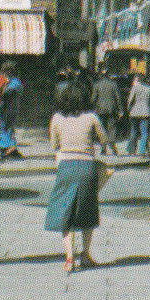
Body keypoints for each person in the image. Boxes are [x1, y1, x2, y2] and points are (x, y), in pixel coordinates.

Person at [44, 79, 110, 273]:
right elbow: (104, 139)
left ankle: (69, 257)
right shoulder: (91, 117)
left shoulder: (57, 118)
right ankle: (86, 255)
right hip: (87, 166)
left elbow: (54, 145)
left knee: (66, 210)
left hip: (66, 165)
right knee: (87, 210)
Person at [0, 60, 22, 159]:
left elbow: (3, 93)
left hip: (6, 108)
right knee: (7, 128)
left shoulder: (7, 80)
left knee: (2, 127)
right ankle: (2, 146)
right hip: (14, 108)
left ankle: (8, 146)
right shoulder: (16, 81)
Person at [92, 70, 124, 156]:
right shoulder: (114, 84)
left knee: (102, 129)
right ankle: (113, 148)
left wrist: (93, 109)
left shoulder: (96, 84)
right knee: (112, 128)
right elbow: (118, 98)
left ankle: (103, 148)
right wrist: (120, 110)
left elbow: (94, 99)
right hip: (111, 109)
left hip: (100, 110)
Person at [126, 71, 150, 157]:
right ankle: (142, 151)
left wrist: (128, 109)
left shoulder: (135, 88)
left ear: (137, 80)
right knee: (144, 133)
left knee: (133, 131)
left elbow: (130, 100)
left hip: (134, 113)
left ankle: (132, 150)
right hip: (145, 113)